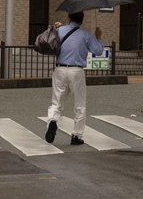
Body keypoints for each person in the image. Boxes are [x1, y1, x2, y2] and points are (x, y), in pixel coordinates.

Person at [45, 11, 104, 146]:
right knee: (79, 104)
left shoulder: (60, 30)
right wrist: (98, 37)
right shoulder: (86, 35)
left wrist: (57, 27)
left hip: (60, 69)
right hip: (77, 70)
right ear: (82, 20)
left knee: (56, 101)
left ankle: (53, 120)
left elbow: (50, 40)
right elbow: (98, 51)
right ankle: (76, 135)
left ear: (69, 18)